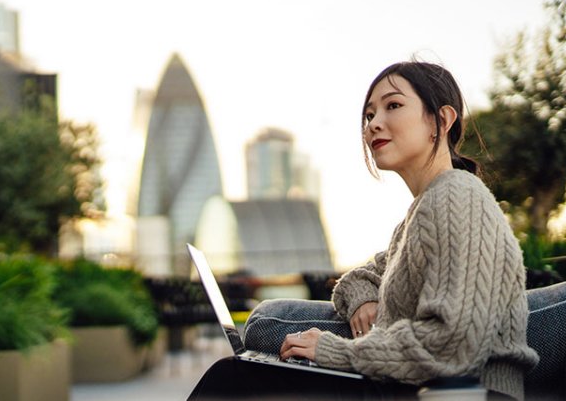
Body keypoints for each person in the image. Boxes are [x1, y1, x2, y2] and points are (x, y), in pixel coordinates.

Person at [189, 61, 539, 401]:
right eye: (370, 115)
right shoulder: (421, 213)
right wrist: (365, 299)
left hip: (465, 393)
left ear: (442, 120)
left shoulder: (458, 197)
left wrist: (336, 351)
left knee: (237, 379)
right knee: (246, 374)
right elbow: (356, 280)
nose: (374, 124)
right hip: (420, 388)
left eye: (393, 106)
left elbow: (451, 346)